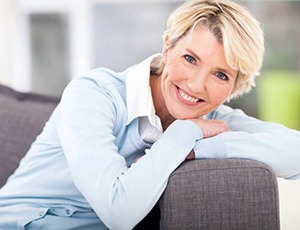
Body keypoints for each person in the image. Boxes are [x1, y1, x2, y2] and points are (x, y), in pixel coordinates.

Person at [0, 0, 300, 229]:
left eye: (221, 75)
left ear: (237, 85)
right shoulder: (94, 92)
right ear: (167, 45)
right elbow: (119, 211)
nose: (196, 85)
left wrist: (196, 148)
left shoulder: (211, 121)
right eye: (190, 58)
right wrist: (182, 135)